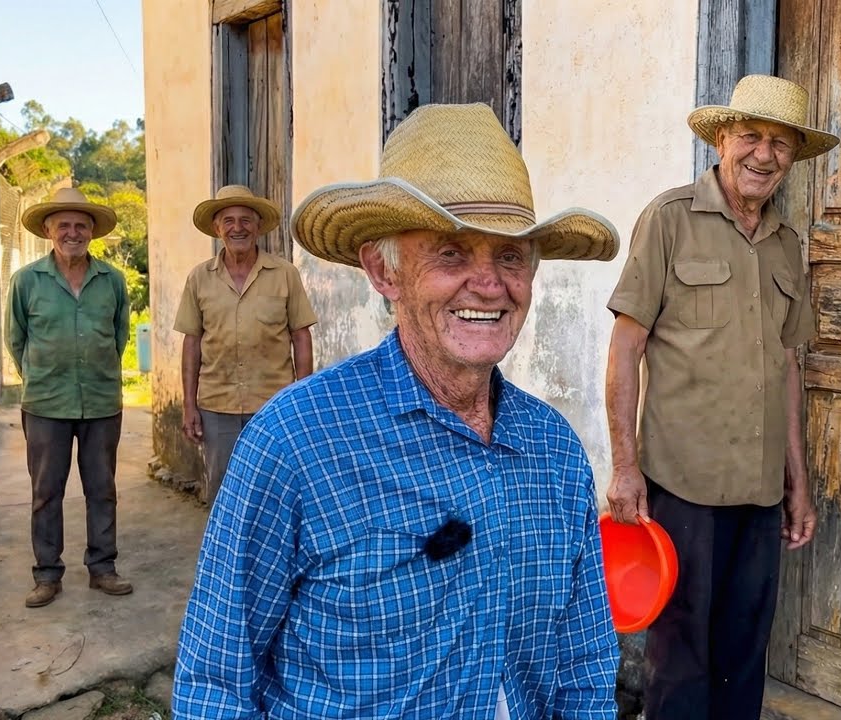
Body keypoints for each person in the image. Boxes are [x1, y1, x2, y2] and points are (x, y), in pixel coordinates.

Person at [172, 103, 621, 719]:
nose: (489, 285)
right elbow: (215, 681)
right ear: (385, 270)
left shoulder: (555, 450)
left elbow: (584, 659)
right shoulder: (297, 442)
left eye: (511, 256)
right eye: (452, 253)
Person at [604, 74, 840, 719]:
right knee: (681, 657)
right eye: (750, 137)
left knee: (744, 653)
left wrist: (798, 481)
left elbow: (787, 368)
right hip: (682, 482)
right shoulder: (670, 219)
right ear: (719, 140)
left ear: (793, 157)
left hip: (760, 490)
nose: (764, 155)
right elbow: (626, 349)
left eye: (781, 143)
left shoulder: (788, 245)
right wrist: (626, 469)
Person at [6, 187, 133, 608]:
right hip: (45, 404)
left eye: (81, 225)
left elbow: (119, 336)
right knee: (46, 492)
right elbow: (16, 338)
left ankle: (103, 568)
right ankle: (47, 574)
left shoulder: (112, 280)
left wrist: (94, 372)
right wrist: (43, 375)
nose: (72, 232)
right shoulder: (27, 282)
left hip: (101, 402)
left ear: (92, 232)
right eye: (64, 225)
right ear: (48, 230)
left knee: (102, 488)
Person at [173, 185, 317, 503]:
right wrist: (188, 405)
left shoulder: (285, 274)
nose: (237, 227)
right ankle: (225, 555)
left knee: (276, 494)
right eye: (228, 220)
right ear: (217, 228)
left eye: (245, 220)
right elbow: (192, 342)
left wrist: (302, 399)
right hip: (216, 405)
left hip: (273, 405)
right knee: (224, 495)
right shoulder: (199, 278)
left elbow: (301, 336)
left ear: (257, 226)